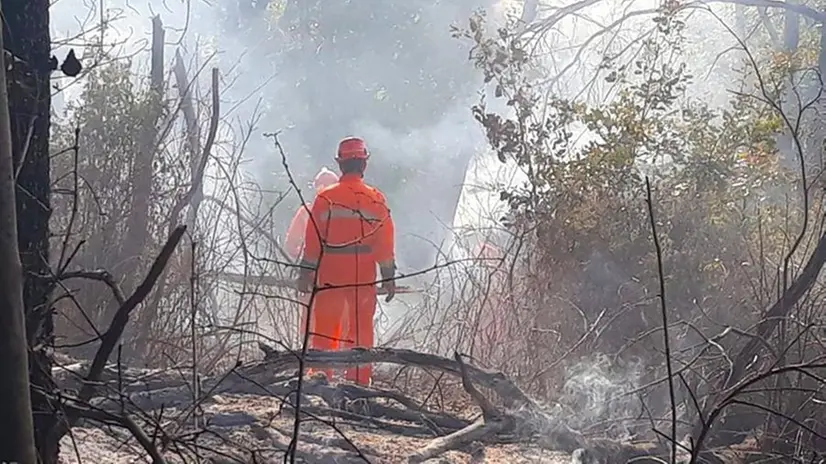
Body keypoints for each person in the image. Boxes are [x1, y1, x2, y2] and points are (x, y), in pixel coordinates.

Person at [298, 136, 396, 385]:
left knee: (324, 332)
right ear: (364, 164)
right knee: (361, 333)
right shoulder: (376, 200)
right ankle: (359, 384)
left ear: (340, 164)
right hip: (362, 277)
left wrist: (305, 273)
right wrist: (388, 277)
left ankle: (319, 380)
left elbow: (312, 243)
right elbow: (384, 244)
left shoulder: (325, 199)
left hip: (329, 277)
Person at [284, 167, 339, 345]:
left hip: (311, 277)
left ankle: (309, 360)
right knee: (335, 323)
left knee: (309, 322)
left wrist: (304, 262)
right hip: (338, 279)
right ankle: (334, 361)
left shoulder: (306, 212)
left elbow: (291, 246)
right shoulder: (346, 212)